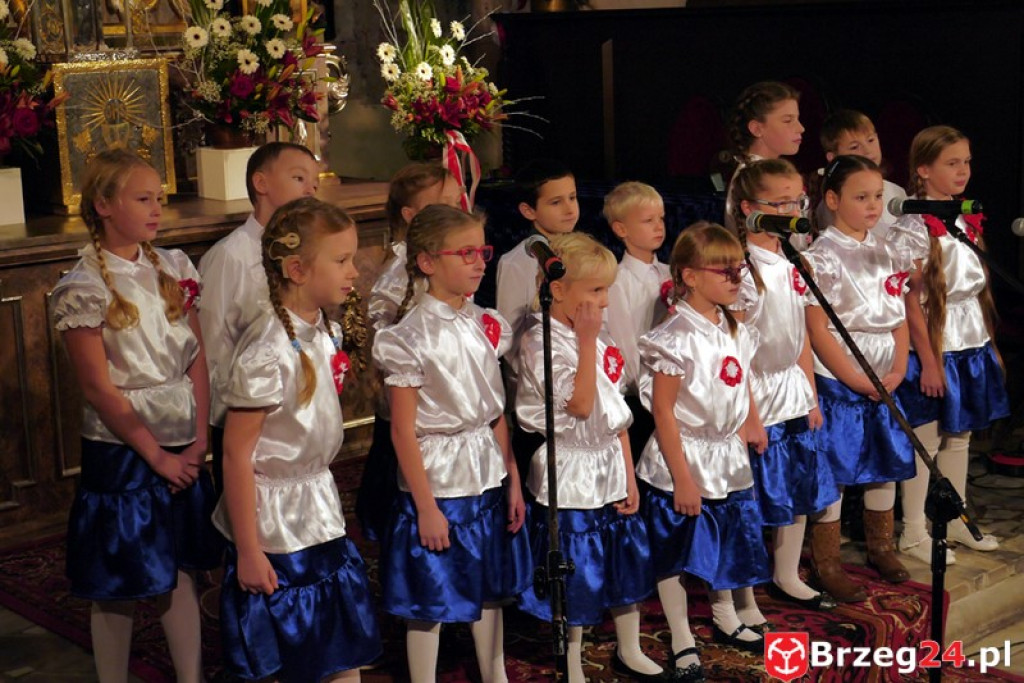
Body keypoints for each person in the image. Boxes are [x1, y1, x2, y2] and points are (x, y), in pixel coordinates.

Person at [52, 149, 221, 683]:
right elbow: (99, 390)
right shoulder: (83, 287)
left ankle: (190, 675)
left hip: (182, 438)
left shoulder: (173, 266)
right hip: (122, 449)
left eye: (160, 199)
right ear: (104, 205)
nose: (156, 210)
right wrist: (155, 456)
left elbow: (196, 357)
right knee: (118, 577)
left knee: (178, 568)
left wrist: (197, 441)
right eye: (143, 199)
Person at [213, 197, 381, 682]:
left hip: (317, 508)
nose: (354, 271)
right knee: (292, 653)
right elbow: (236, 456)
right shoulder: (267, 350)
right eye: (342, 259)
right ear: (296, 268)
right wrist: (248, 549)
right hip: (274, 524)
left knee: (338, 643)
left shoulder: (319, 329)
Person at [373, 205, 531, 683]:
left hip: (486, 467)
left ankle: (494, 672)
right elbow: (402, 430)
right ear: (426, 263)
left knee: (487, 582)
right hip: (438, 478)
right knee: (431, 590)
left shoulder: (486, 322)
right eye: (465, 253)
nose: (480, 262)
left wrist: (514, 481)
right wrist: (425, 507)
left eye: (482, 251)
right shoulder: (408, 337)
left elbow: (495, 410)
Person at [516, 233, 666, 683]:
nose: (604, 301)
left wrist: (629, 476)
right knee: (577, 570)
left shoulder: (595, 339)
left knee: (624, 557)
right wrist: (584, 343)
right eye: (594, 291)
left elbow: (616, 414)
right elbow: (578, 405)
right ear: (558, 289)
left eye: (606, 290)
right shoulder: (542, 342)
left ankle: (630, 645)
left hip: (609, 463)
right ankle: (574, 658)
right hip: (572, 468)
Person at [637, 222, 771, 674]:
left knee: (728, 539)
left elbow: (742, 377)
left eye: (739, 269)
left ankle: (726, 615)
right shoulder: (674, 338)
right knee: (675, 549)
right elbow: (664, 414)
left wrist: (751, 419)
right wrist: (682, 478)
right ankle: (680, 635)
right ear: (690, 276)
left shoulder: (732, 325)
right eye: (725, 271)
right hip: (685, 457)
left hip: (726, 454)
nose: (737, 279)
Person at [890, 126, 1010, 564]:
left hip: (970, 337)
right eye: (951, 163)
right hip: (934, 345)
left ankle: (954, 520)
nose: (963, 171)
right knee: (928, 440)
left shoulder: (963, 218)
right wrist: (930, 362)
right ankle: (914, 531)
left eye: (967, 161)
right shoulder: (912, 228)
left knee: (960, 438)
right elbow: (911, 305)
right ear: (923, 170)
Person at [804, 155, 915, 603]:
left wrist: (900, 366)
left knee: (882, 462)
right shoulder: (820, 256)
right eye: (861, 197)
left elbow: (899, 313)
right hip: (841, 376)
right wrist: (855, 379)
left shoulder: (887, 250)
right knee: (838, 467)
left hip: (885, 372)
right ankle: (827, 559)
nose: (873, 205)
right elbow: (816, 329)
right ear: (832, 200)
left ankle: (880, 545)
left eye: (877, 197)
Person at [730, 159, 840, 610]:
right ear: (750, 207)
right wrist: (750, 414)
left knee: (796, 486)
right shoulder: (740, 267)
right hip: (755, 394)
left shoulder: (793, 259)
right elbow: (734, 349)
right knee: (756, 496)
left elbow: (800, 337)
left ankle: (786, 571)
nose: (792, 210)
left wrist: (810, 394)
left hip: (791, 389)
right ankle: (744, 587)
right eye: (780, 203)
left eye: (797, 201)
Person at [198, 141, 320, 494]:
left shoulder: (308, 253)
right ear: (261, 183)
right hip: (246, 411)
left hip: (295, 409)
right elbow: (213, 343)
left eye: (315, 183)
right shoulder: (230, 257)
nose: (310, 190)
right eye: (299, 178)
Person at [357, 162, 461, 542]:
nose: (456, 210)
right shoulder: (402, 268)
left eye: (457, 201)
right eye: (444, 204)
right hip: (413, 395)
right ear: (410, 215)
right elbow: (387, 330)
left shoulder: (441, 256)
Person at [603, 181, 671, 462]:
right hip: (640, 398)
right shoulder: (616, 282)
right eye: (648, 221)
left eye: (661, 219)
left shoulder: (671, 273)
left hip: (673, 391)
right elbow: (625, 342)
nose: (658, 227)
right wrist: (643, 391)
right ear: (621, 229)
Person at [723, 81, 803, 235]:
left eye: (797, 119)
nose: (801, 128)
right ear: (757, 129)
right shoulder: (752, 179)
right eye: (788, 121)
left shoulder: (772, 173)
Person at [815, 109, 907, 239]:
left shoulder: (897, 191)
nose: (868, 150)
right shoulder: (835, 201)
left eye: (871, 140)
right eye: (854, 147)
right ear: (833, 157)